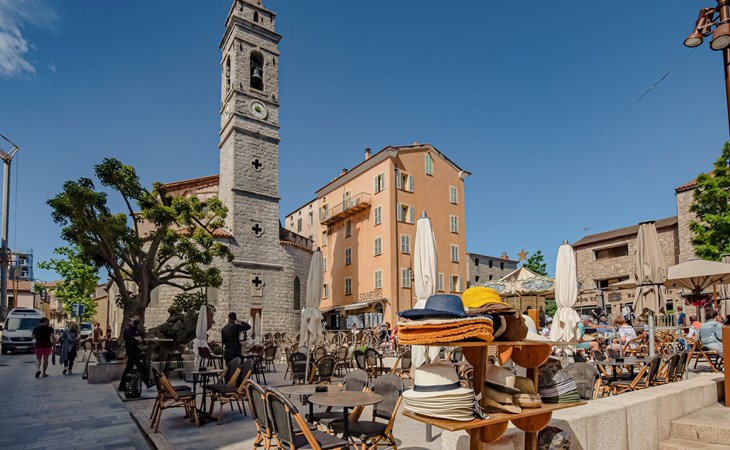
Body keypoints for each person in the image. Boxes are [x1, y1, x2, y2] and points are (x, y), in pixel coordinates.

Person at [118, 314, 152, 391]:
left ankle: (122, 386)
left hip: (135, 351)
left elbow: (141, 337)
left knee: (129, 368)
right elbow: (129, 339)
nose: (137, 320)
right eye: (136, 319)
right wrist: (136, 338)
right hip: (131, 351)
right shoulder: (127, 330)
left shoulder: (135, 329)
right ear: (131, 319)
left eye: (138, 319)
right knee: (139, 367)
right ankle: (147, 382)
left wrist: (138, 338)